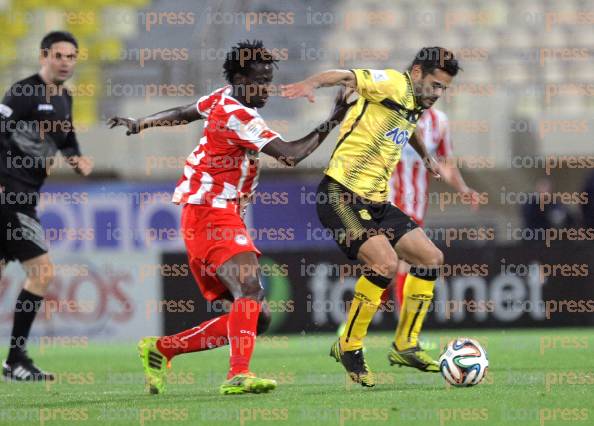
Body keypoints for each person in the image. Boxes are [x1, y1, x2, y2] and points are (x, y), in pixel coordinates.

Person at [108, 40, 353, 395]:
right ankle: (238, 374)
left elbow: (188, 111)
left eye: (268, 82)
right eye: (258, 82)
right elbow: (290, 155)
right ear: (239, 78)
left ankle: (163, 349)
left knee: (259, 316)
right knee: (250, 289)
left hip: (211, 214)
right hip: (211, 211)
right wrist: (333, 119)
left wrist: (143, 122)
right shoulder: (239, 115)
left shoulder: (222, 98)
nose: (264, 89)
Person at [282, 47, 460, 386]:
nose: (437, 95)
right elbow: (345, 76)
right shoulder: (392, 83)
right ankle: (349, 344)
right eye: (435, 86)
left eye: (444, 90)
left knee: (430, 257)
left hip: (376, 202)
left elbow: (408, 126)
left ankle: (405, 344)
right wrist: (311, 83)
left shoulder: (413, 103)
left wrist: (427, 157)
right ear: (418, 72)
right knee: (385, 264)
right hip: (341, 195)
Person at [0, 31, 93, 381]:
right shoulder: (23, 91)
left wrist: (76, 158)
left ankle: (15, 361)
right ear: (44, 56)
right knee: (42, 273)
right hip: (11, 196)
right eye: (59, 56)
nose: (65, 62)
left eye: (71, 57)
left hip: (23, 195)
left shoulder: (64, 98)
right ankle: (15, 360)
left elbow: (65, 135)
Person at [384, 106, 479, 358]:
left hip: (417, 206)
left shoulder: (440, 120)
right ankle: (407, 338)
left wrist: (463, 188)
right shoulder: (393, 112)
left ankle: (354, 323)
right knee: (405, 265)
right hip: (389, 201)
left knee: (387, 266)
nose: (435, 92)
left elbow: (446, 163)